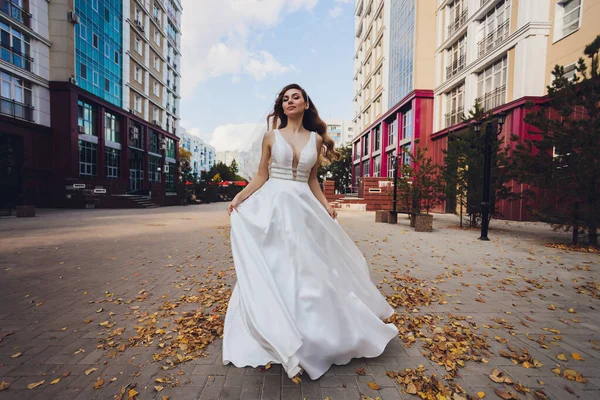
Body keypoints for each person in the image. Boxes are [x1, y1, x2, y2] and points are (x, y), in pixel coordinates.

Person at [223, 83, 398, 380]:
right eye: (286, 98)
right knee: (277, 264)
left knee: (310, 267)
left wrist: (326, 205)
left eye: (296, 97)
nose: (291, 101)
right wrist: (240, 197)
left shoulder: (316, 141)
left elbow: (312, 180)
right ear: (282, 106)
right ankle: (274, 328)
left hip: (304, 209)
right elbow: (261, 176)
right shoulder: (270, 137)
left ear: (305, 104)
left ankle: (316, 331)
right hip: (273, 208)